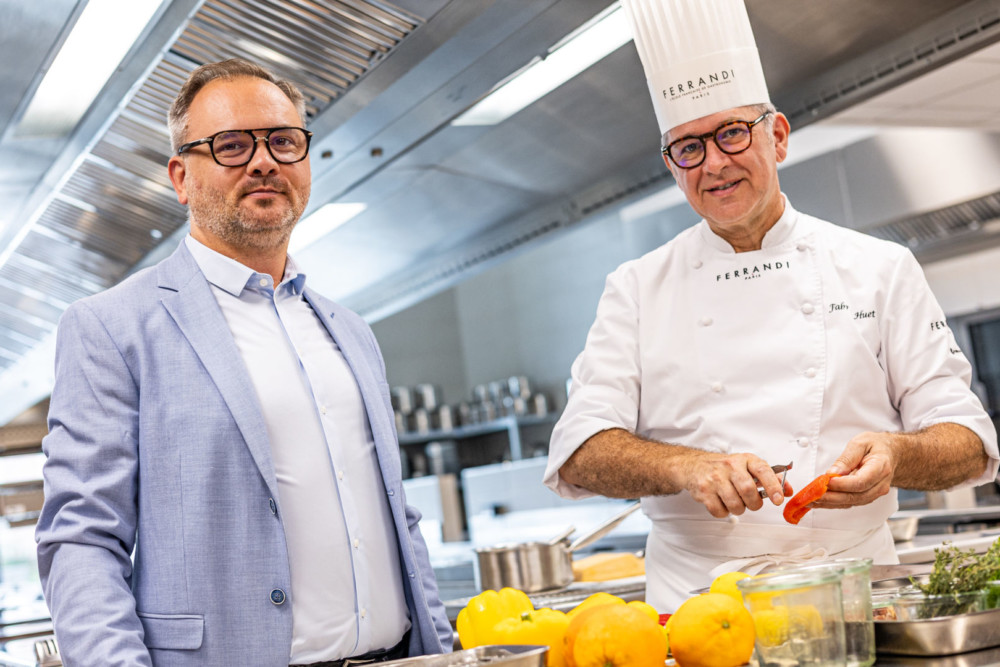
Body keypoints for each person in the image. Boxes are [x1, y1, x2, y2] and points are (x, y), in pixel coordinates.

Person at [544, 0, 999, 612]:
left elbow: (968, 440)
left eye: (732, 133)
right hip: (696, 607)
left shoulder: (879, 268)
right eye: (688, 148)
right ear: (671, 166)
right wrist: (688, 468)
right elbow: (579, 452)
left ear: (777, 136)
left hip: (855, 595)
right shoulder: (636, 287)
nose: (714, 164)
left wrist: (896, 454)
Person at [35, 58, 452, 666]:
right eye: (231, 145)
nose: (264, 161)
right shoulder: (112, 328)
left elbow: (399, 518)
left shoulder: (350, 331)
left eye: (283, 141)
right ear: (181, 177)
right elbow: (81, 538)